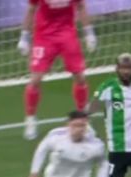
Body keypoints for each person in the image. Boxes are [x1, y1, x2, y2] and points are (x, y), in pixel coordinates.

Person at [17, 0, 97, 140]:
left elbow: (81, 6)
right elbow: (31, 9)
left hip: (67, 34)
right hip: (44, 37)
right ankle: (30, 118)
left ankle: (82, 117)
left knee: (80, 77)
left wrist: (89, 33)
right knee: (35, 80)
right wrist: (24, 36)